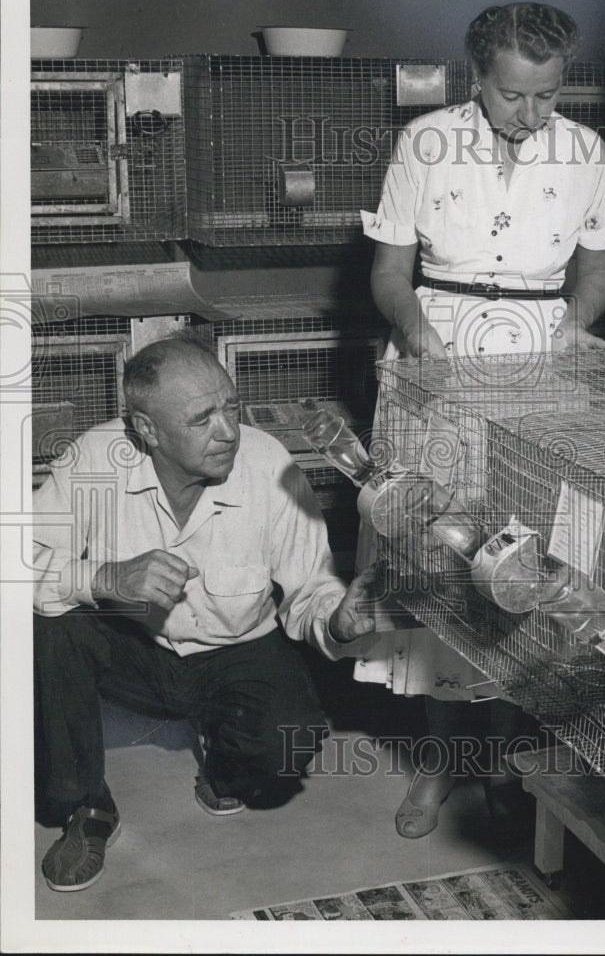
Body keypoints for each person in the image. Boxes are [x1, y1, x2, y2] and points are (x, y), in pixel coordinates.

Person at [356, 2, 605, 837]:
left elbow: (598, 267)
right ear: (477, 79)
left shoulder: (584, 151)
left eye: (548, 96)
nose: (533, 114)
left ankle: (512, 754)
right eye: (515, 96)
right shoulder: (425, 143)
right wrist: (419, 341)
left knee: (531, 561)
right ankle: (441, 761)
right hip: (440, 346)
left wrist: (577, 329)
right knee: (442, 556)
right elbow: (391, 273)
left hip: (540, 356)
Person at [33, 331, 376, 892]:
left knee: (286, 747)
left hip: (237, 647)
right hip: (133, 647)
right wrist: (104, 578)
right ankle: (86, 807)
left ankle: (225, 760)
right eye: (201, 420)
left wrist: (339, 621)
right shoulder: (97, 458)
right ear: (147, 430)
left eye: (231, 407)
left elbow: (311, 588)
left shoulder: (268, 465)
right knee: (44, 623)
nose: (229, 432)